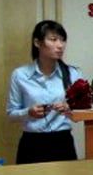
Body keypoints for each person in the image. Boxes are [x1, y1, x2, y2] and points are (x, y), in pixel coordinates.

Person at [7, 20, 82, 164]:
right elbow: (11, 114)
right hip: (32, 143)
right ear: (37, 42)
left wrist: (69, 108)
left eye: (62, 40)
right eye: (53, 40)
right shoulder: (20, 75)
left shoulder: (73, 74)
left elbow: (84, 110)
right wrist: (28, 112)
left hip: (63, 142)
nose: (60, 45)